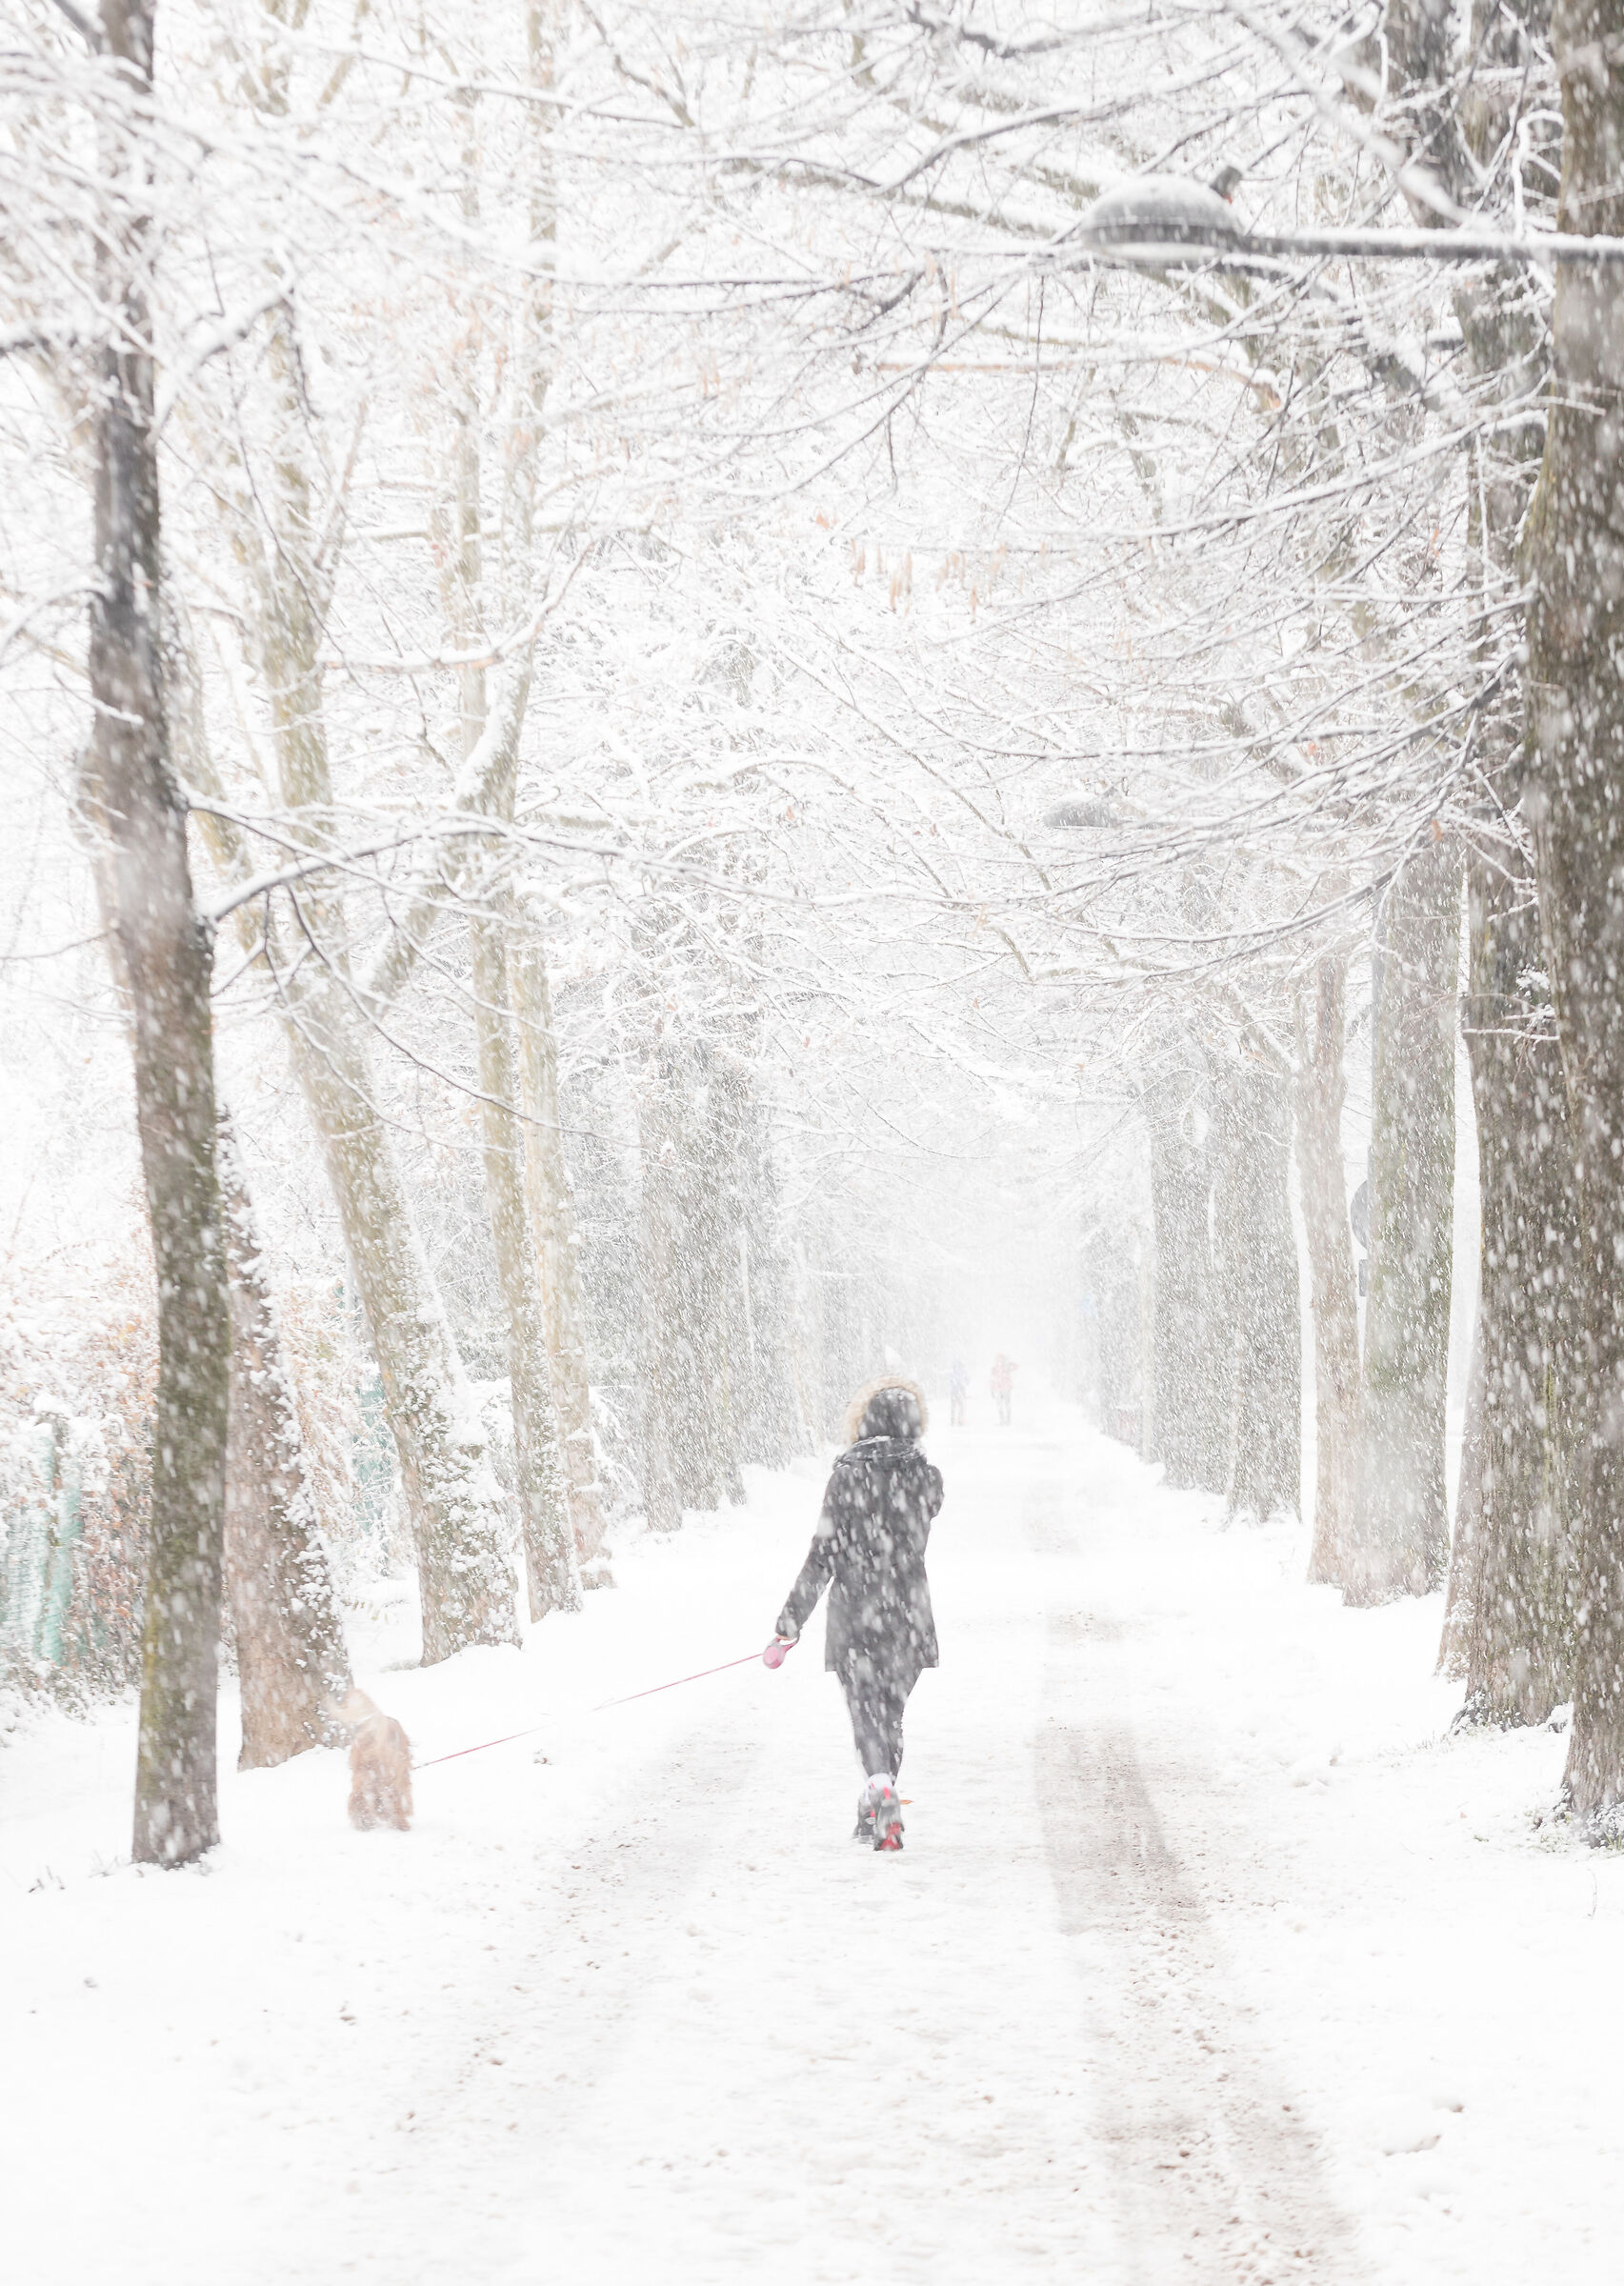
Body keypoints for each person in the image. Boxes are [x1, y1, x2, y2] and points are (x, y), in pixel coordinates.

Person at [771, 1377, 944, 1851]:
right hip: (908, 1614)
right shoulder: (927, 1478)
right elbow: (924, 1512)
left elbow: (822, 1554)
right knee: (890, 1713)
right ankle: (879, 1797)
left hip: (855, 1611)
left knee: (865, 1711)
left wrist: (789, 1625)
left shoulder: (846, 1476)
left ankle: (879, 1786)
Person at [990, 1352, 1017, 1427]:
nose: (1000, 1361)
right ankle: (1005, 1420)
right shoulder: (1003, 1367)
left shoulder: (1002, 1367)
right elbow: (992, 1379)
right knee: (1004, 1405)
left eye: (1001, 1359)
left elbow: (992, 1379)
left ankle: (1004, 1420)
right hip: (1003, 1388)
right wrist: (992, 1389)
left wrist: (992, 1389)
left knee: (1002, 1405)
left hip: (1002, 1388)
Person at [948, 1356, 969, 1426]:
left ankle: (954, 1420)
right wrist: (961, 1384)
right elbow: (967, 1380)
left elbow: (967, 1380)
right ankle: (957, 1420)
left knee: (956, 1406)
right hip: (957, 1391)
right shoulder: (960, 1372)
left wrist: (961, 1384)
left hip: (957, 1391)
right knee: (960, 1406)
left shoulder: (955, 1372)